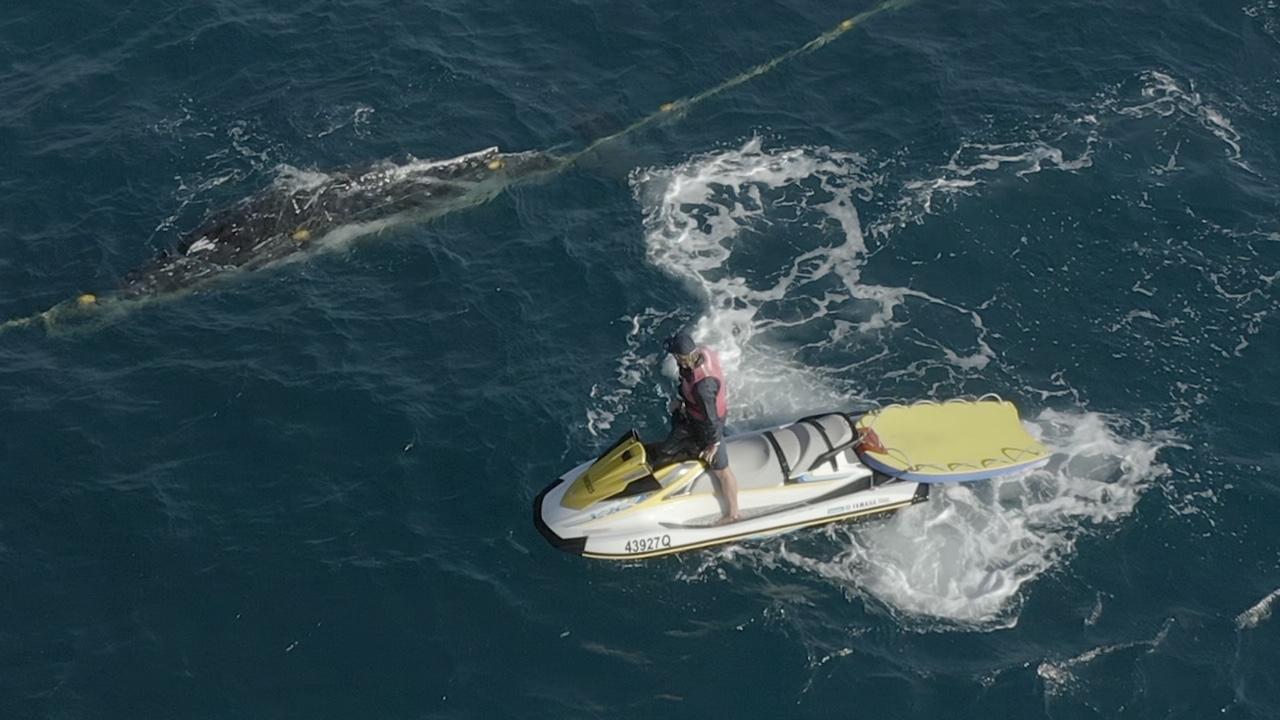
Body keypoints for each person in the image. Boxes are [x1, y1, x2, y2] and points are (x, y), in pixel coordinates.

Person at [647, 331, 741, 524]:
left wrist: (713, 444)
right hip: (693, 413)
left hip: (707, 425)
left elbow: (711, 418)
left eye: (674, 354)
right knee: (667, 448)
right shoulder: (700, 354)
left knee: (722, 471)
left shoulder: (702, 387)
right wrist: (682, 402)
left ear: (682, 358)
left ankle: (733, 514)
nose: (672, 356)